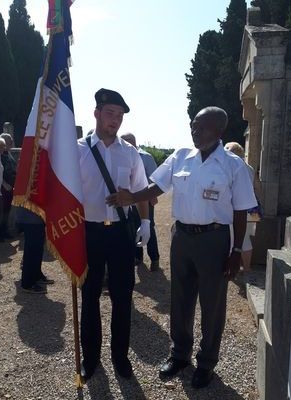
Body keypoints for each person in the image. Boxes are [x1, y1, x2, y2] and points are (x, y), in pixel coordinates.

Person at [106, 106, 257, 389]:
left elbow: (240, 211)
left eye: (201, 126)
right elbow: (156, 187)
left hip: (214, 240)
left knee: (212, 304)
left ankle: (207, 362)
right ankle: (180, 354)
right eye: (193, 125)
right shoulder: (180, 157)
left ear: (219, 131)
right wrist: (131, 198)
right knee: (181, 299)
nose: (194, 130)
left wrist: (236, 251)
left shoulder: (233, 165)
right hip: (182, 238)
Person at [78, 88, 150, 381]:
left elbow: (142, 192)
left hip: (121, 233)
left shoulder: (130, 153)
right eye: (110, 113)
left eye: (119, 116)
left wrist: (144, 221)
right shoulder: (77, 150)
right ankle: (91, 359)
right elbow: (65, 194)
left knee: (123, 297)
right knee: (89, 295)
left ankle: (120, 358)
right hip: (89, 231)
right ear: (96, 113)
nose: (115, 120)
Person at [120, 133, 160, 271]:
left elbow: (155, 178)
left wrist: (151, 196)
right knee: (133, 227)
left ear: (134, 142)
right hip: (128, 201)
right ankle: (138, 257)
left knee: (149, 227)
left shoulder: (146, 157)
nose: (125, 145)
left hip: (145, 199)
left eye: (128, 142)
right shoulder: (120, 155)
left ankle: (154, 258)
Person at [224, 142, 258, 271]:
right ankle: (245, 266)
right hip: (250, 207)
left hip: (239, 208)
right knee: (245, 237)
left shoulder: (234, 166)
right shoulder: (249, 168)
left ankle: (243, 267)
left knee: (239, 238)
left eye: (227, 150)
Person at [16, 207, 54, 294]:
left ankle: (36, 275)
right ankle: (27, 283)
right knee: (31, 251)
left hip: (39, 217)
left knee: (38, 249)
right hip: (30, 217)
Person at [0, 133, 17, 240]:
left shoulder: (8, 153)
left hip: (10, 188)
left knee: (7, 211)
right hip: (3, 188)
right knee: (1, 211)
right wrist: (5, 184)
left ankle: (4, 231)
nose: (11, 142)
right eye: (9, 141)